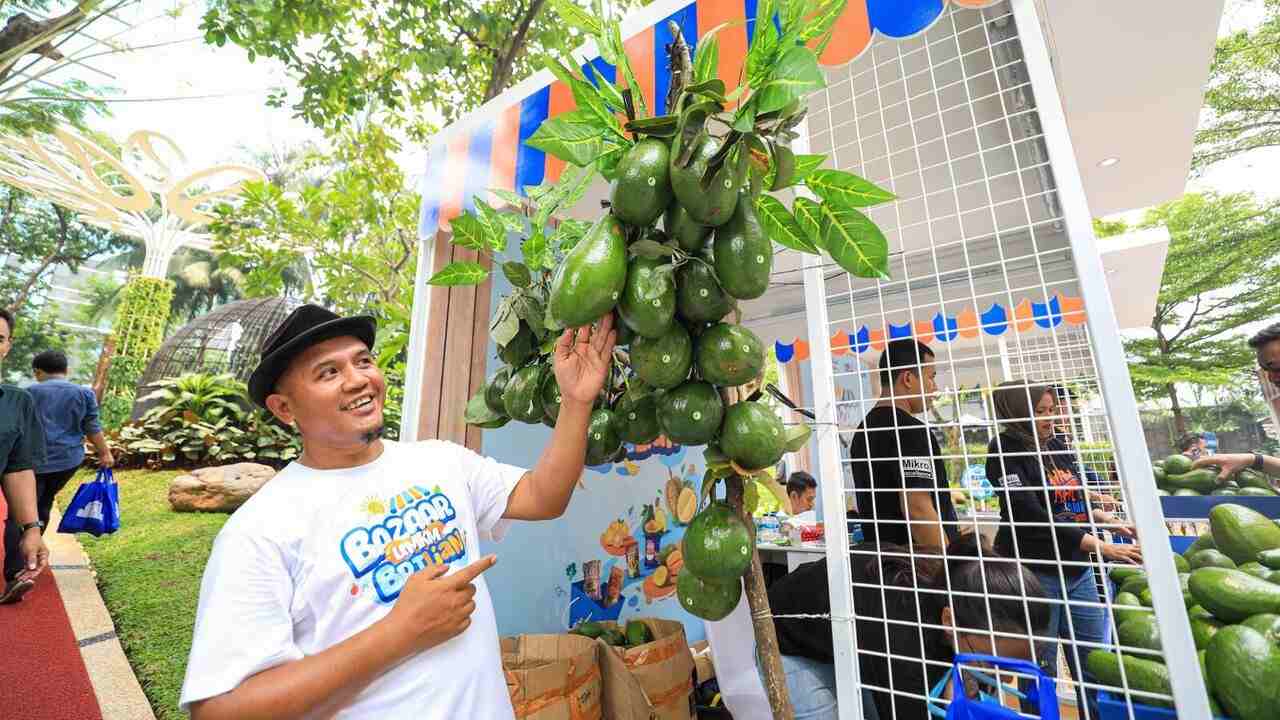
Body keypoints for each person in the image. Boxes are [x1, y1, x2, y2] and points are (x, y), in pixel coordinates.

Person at [180, 304, 614, 719]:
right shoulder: (260, 529)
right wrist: (399, 633)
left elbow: (544, 497)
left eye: (363, 361)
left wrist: (576, 402)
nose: (357, 380)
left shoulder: (440, 461)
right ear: (284, 408)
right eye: (328, 372)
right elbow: (221, 709)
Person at [768, 535, 1050, 719]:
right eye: (993, 664)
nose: (1004, 680)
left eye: (1011, 668)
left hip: (856, 635)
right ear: (949, 621)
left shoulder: (955, 589)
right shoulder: (904, 640)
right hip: (788, 639)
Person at [986, 380, 1141, 715]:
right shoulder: (1004, 450)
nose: (1049, 418)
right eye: (1039, 412)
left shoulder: (1057, 444)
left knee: (1093, 662)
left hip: (1077, 570)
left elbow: (1071, 500)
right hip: (1036, 573)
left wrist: (1111, 523)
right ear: (1016, 412)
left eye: (1051, 410)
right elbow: (1030, 512)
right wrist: (1099, 546)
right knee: (1041, 668)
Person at [10, 350, 116, 600]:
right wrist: (105, 454)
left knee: (21, 513)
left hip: (30, 463)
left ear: (37, 371)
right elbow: (92, 427)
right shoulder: (83, 393)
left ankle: (16, 569)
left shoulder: (27, 393)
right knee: (43, 503)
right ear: (65, 370)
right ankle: (32, 555)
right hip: (66, 462)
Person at [848, 338, 958, 550]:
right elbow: (917, 508)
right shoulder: (910, 429)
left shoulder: (864, 429)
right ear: (908, 378)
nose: (934, 387)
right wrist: (950, 565)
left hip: (883, 563)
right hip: (918, 566)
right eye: (930, 377)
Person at [0, 308, 52, 604]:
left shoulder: (18, 403)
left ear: (8, 346)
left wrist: (32, 529)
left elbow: (18, 470)